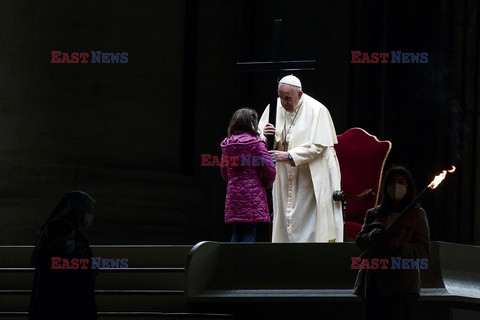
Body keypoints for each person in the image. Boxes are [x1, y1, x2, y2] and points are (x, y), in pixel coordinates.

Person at [258, 74, 343, 242]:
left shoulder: (317, 110)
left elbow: (319, 146)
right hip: (284, 172)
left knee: (310, 220)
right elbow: (260, 139)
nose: (284, 103)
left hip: (311, 172)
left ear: (300, 94)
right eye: (281, 97)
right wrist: (265, 135)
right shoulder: (275, 107)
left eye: (288, 98)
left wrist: (290, 155)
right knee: (285, 218)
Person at [353, 165, 430, 320]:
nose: (396, 186)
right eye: (392, 182)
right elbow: (360, 241)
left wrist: (399, 246)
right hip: (373, 284)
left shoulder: (416, 214)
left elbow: (423, 249)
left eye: (401, 181)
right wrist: (372, 236)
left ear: (408, 187)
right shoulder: (374, 213)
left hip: (402, 285)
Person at [29, 191, 98, 320]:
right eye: (87, 210)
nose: (89, 215)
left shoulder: (70, 229)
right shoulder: (61, 229)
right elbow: (58, 263)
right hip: (63, 298)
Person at [221, 108, 276, 242]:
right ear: (252, 124)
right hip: (253, 193)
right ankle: (245, 262)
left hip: (234, 193)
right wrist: (267, 184)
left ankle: (232, 261)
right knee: (250, 232)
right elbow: (269, 170)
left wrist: (234, 181)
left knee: (236, 230)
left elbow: (224, 171)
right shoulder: (257, 143)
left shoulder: (227, 145)